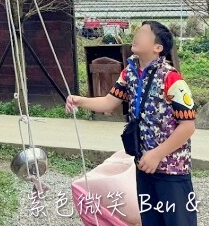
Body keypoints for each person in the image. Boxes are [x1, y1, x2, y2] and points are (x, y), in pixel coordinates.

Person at [66, 20, 197, 226]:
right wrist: (79, 100)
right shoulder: (130, 73)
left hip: (172, 170)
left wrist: (157, 154)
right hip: (144, 164)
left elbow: (188, 126)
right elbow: (109, 102)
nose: (137, 35)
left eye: (144, 33)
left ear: (158, 48)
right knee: (151, 220)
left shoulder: (172, 79)